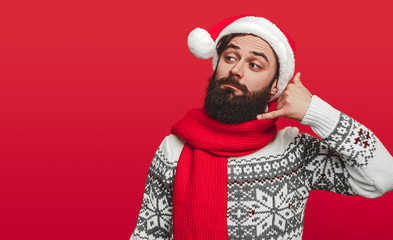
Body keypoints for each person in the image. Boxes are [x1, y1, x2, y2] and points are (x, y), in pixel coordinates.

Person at [129, 15, 393, 240]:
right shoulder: (174, 148)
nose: (237, 70)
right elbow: (147, 235)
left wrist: (316, 112)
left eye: (255, 65)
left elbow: (382, 176)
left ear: (274, 88)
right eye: (230, 57)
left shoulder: (293, 150)